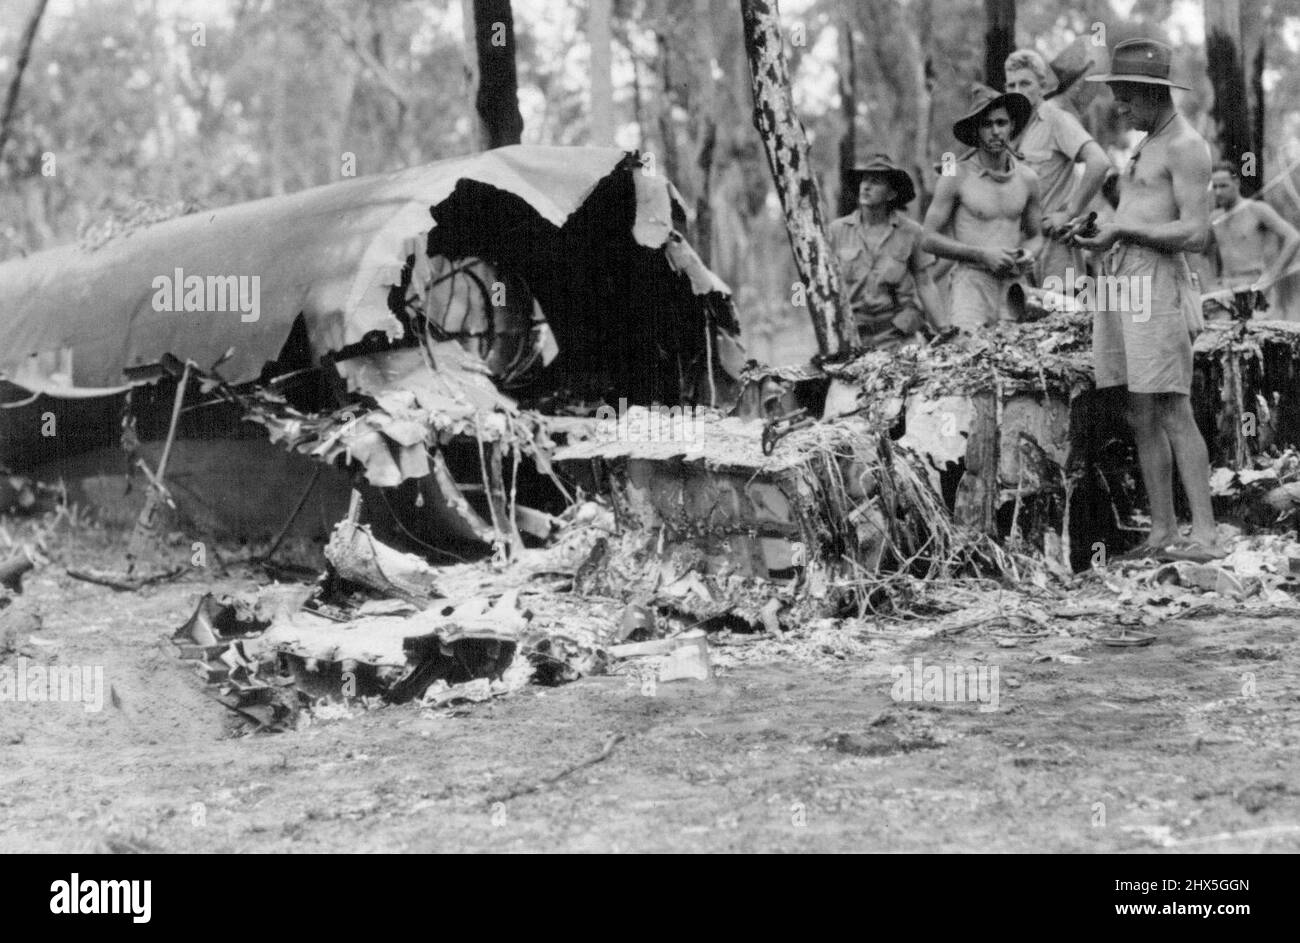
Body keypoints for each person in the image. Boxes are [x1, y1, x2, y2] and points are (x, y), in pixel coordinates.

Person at [1068, 38, 1220, 561]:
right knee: (1139, 410)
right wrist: (1100, 231)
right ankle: (1162, 532)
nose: (1119, 109)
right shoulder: (1146, 143)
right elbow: (1139, 213)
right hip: (1122, 279)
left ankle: (1204, 535)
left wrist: (1124, 228)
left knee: (1174, 405)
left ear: (1148, 93)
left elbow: (1198, 232)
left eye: (1125, 99)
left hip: (1157, 280)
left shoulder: (1186, 146)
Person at [921, 84, 1043, 329]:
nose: (995, 131)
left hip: (1014, 288)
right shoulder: (957, 175)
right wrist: (981, 254)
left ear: (1012, 127)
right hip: (972, 284)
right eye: (987, 125)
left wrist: (1028, 254)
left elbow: (1036, 236)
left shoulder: (1028, 179)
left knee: (1017, 360)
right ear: (976, 131)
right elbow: (928, 239)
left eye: (1001, 123)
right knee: (970, 358)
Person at [1004, 48, 1112, 293]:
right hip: (1020, 247)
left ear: (1042, 86)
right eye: (1011, 86)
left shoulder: (1056, 119)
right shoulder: (1013, 130)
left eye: (1025, 83)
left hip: (1055, 248)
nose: (1017, 91)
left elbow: (1099, 162)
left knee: (1062, 319)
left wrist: (1069, 212)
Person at [829, 154, 944, 348]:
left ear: (891, 194)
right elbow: (819, 285)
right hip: (851, 335)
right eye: (864, 181)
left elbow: (925, 284)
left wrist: (944, 328)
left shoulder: (912, 232)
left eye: (875, 182)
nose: (866, 187)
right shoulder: (836, 231)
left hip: (898, 333)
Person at [1203, 161, 1300, 320]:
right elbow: (1200, 253)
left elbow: (1293, 238)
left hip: (1254, 287)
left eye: (1224, 186)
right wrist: (1209, 284)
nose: (1218, 192)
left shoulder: (1256, 209)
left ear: (1236, 183)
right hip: (1225, 291)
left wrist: (1271, 276)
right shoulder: (1215, 218)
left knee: (1259, 339)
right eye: (1215, 187)